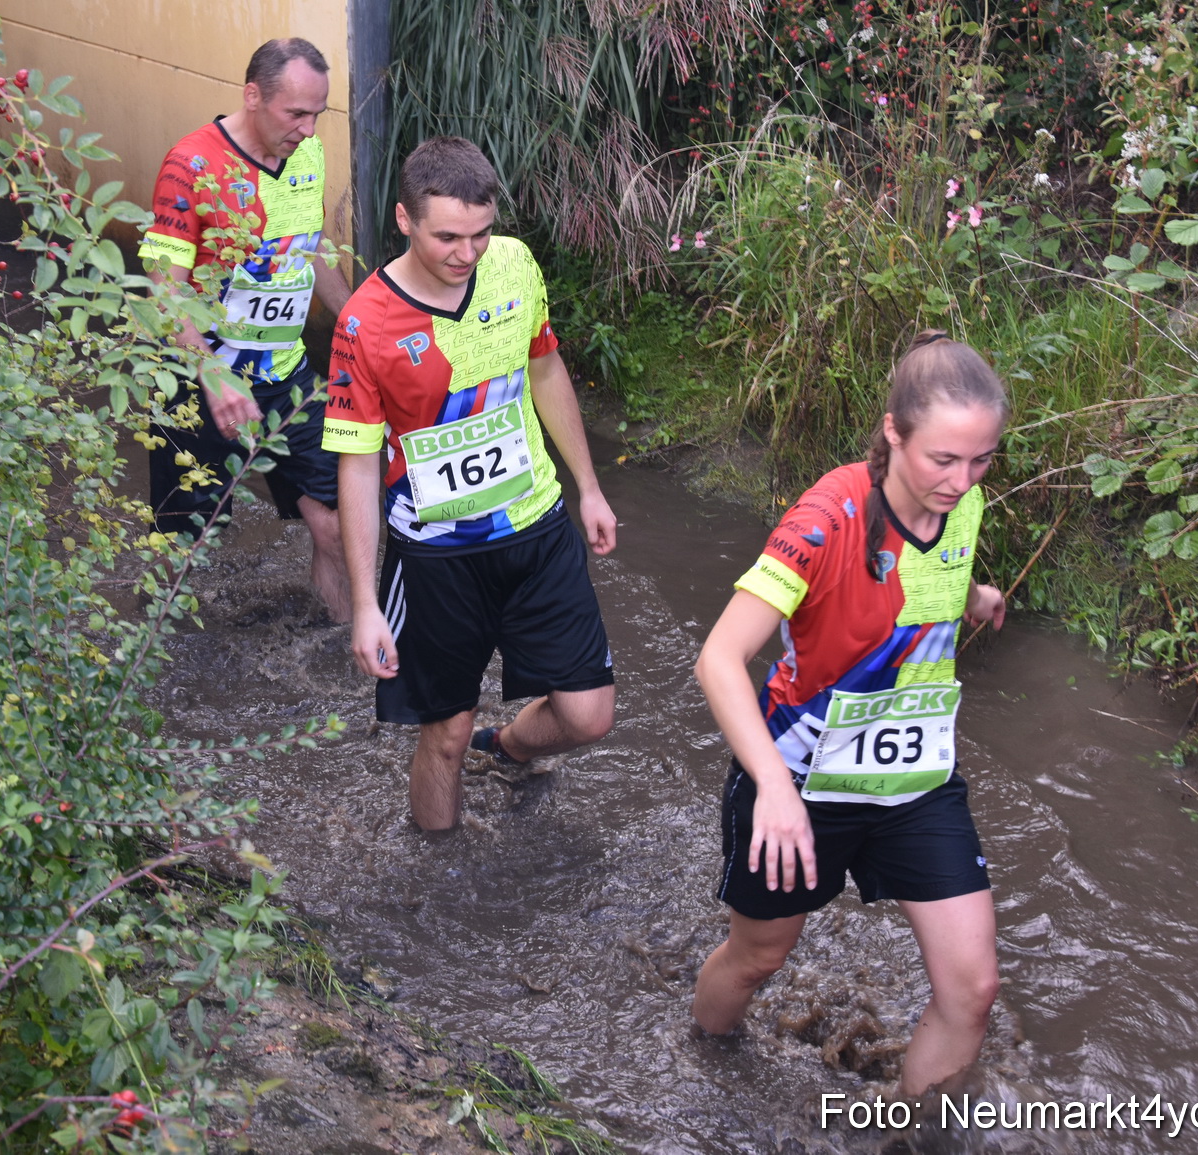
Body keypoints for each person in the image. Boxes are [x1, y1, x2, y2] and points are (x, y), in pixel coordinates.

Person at [690, 330, 1009, 1099]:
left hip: (916, 782)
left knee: (972, 990)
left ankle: (902, 1134)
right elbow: (718, 659)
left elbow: (936, 560)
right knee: (758, 958)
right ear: (894, 432)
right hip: (801, 779)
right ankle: (704, 1058)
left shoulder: (958, 505)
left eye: (981, 460)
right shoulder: (823, 521)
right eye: (943, 459)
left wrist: (975, 596)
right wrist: (771, 787)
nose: (962, 481)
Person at [324, 136, 618, 832]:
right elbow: (358, 466)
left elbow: (544, 367)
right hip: (436, 555)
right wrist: (365, 603)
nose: (467, 253)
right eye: (448, 237)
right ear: (404, 219)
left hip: (535, 526)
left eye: (481, 234)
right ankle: (438, 873)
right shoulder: (365, 325)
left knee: (589, 714)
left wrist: (590, 486)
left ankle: (510, 745)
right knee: (447, 732)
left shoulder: (513, 265)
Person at [138, 37, 352, 621]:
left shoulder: (306, 154)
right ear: (252, 96)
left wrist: (356, 322)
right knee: (189, 544)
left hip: (286, 375)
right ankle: (157, 660)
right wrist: (213, 375)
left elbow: (310, 249)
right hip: (197, 381)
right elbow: (164, 287)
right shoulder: (193, 164)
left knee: (335, 519)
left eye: (318, 114)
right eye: (296, 113)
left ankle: (340, 643)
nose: (309, 129)